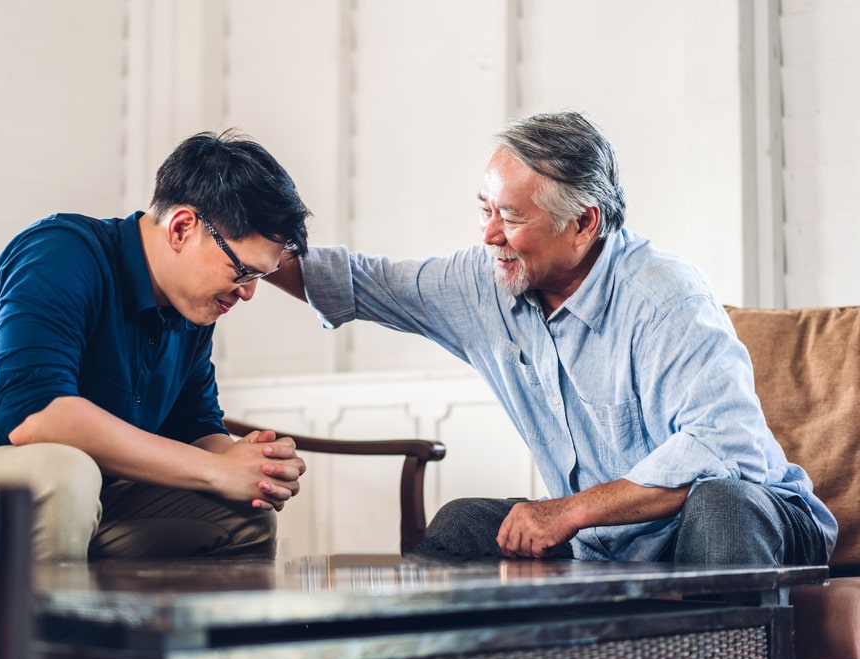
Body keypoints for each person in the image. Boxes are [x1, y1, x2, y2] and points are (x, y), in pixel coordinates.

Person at [267, 111, 837, 566]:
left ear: (583, 223)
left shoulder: (664, 297)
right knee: (461, 524)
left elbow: (723, 451)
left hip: (759, 517)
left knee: (721, 508)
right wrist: (246, 249)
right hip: (613, 539)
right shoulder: (485, 281)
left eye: (511, 217)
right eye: (485, 209)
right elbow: (361, 283)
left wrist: (568, 512)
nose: (490, 234)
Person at [0, 130, 311, 561]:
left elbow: (194, 428)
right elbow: (35, 416)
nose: (248, 292)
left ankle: (144, 639)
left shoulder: (191, 311)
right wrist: (215, 470)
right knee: (62, 474)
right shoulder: (59, 253)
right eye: (243, 271)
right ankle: (37, 642)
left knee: (243, 516)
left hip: (66, 498)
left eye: (259, 278)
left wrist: (249, 462)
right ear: (181, 228)